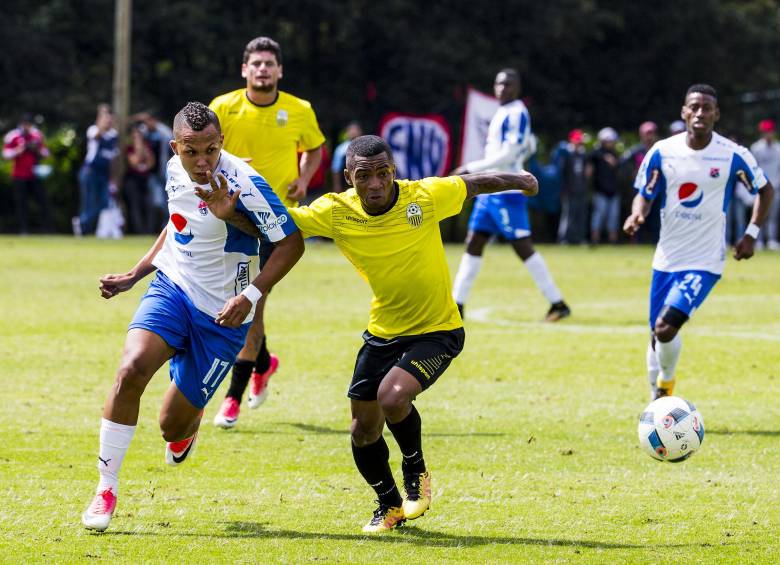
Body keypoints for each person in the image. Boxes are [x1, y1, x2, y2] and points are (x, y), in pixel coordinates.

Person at [197, 134, 538, 533]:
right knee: (362, 430)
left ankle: (416, 471)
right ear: (348, 178)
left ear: (394, 171)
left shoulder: (425, 197)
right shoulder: (335, 211)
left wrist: (521, 178)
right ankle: (389, 505)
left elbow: (475, 183)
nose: (376, 183)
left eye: (384, 173)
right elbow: (277, 227)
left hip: (438, 330)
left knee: (392, 397)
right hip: (383, 331)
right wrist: (228, 214)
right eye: (365, 176)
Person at [80, 102, 304, 532]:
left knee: (170, 426)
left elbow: (291, 243)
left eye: (211, 150)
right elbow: (176, 222)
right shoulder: (172, 170)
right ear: (175, 147)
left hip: (223, 316)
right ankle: (105, 488)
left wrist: (251, 293)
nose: (202, 163)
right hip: (173, 288)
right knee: (130, 370)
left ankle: (188, 424)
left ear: (222, 143)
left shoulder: (245, 183)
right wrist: (135, 274)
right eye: (191, 152)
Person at [624, 84, 773, 400]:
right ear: (684, 112)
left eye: (707, 107)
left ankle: (664, 390)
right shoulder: (663, 151)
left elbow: (765, 189)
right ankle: (657, 397)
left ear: (716, 114)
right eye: (695, 106)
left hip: (705, 261)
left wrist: (751, 234)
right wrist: (637, 214)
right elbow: (645, 195)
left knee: (666, 327)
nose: (700, 112)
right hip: (666, 259)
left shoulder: (733, 155)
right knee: (656, 336)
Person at [209, 36, 325, 427]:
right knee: (237, 302)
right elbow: (203, 148)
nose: (262, 69)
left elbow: (315, 148)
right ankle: (264, 361)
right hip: (231, 217)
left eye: (268, 64)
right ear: (245, 69)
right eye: (255, 63)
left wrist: (305, 177)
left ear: (279, 71)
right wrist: (224, 160)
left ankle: (232, 399)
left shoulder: (299, 109)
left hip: (275, 224)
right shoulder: (222, 108)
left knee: (252, 303)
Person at [451, 68, 570, 322]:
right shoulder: (503, 112)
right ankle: (456, 305)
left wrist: (471, 169)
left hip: (506, 189)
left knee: (522, 247)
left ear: (517, 88)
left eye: (508, 84)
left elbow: (508, 153)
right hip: (490, 190)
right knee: (474, 242)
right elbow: (523, 148)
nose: (502, 88)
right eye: (499, 84)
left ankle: (558, 303)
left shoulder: (517, 113)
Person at [2, 113, 51, 233]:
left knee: (42, 201)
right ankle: (23, 229)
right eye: (25, 124)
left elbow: (46, 153)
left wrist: (37, 150)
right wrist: (18, 150)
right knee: (21, 204)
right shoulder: (14, 136)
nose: (27, 126)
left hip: (34, 174)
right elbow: (5, 154)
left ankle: (47, 229)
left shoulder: (37, 135)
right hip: (19, 175)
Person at [75, 104, 119, 236]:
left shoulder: (113, 135)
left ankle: (83, 222)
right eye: (106, 119)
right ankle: (83, 227)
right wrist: (102, 115)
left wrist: (113, 179)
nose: (108, 121)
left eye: (110, 119)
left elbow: (112, 160)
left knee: (104, 202)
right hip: (90, 171)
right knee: (88, 201)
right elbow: (97, 135)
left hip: (103, 173)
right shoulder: (93, 130)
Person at [621, 122, 661, 243]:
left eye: (652, 133)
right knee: (639, 217)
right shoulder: (636, 151)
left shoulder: (660, 150)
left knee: (656, 219)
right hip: (640, 189)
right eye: (647, 134)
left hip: (658, 190)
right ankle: (636, 241)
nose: (649, 136)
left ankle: (655, 241)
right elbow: (622, 163)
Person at [750, 119, 780, 250]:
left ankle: (772, 240)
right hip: (760, 187)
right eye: (765, 132)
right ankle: (759, 241)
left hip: (776, 187)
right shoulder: (756, 148)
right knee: (759, 215)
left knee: (773, 215)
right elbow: (753, 168)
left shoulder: (778, 148)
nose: (768, 134)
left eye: (770, 132)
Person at [589, 127, 622, 244]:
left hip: (613, 191)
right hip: (600, 191)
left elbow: (619, 168)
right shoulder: (596, 155)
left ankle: (613, 241)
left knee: (613, 218)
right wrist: (604, 157)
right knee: (598, 217)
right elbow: (591, 156)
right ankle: (595, 240)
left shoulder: (615, 155)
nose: (610, 143)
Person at [556, 129, 589, 244]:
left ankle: (579, 238)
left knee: (581, 215)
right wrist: (563, 190)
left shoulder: (582, 154)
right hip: (569, 191)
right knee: (568, 215)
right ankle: (564, 238)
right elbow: (562, 173)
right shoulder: (566, 154)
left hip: (581, 189)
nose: (579, 143)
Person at [123, 123, 155, 234]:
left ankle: (148, 231)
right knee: (135, 207)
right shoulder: (129, 148)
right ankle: (139, 232)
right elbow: (135, 162)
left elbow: (151, 163)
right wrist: (139, 146)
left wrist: (142, 149)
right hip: (133, 181)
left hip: (145, 181)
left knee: (149, 206)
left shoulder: (148, 146)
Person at [331, 121, 363, 192]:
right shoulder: (341, 149)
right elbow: (336, 169)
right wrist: (337, 185)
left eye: (356, 130)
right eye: (351, 130)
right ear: (347, 133)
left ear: (360, 132)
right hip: (346, 184)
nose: (353, 133)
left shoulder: (365, 146)